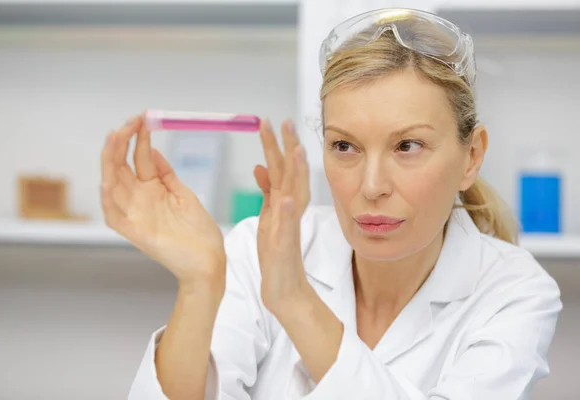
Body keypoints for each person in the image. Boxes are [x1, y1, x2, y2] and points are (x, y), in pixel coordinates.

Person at [100, 8, 562, 400]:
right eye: (345, 147)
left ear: (471, 156)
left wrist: (296, 302)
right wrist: (201, 282)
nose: (372, 185)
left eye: (407, 146)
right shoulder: (258, 250)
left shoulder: (515, 293)